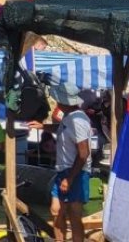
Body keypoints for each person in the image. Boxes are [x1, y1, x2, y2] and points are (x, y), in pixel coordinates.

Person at [51, 82, 91, 242]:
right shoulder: (68, 118)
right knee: (56, 211)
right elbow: (64, 131)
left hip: (75, 172)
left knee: (74, 215)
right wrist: (44, 127)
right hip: (63, 170)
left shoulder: (78, 120)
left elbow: (84, 153)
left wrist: (70, 178)